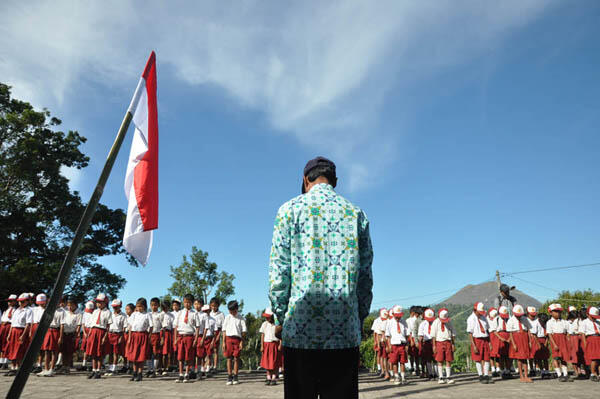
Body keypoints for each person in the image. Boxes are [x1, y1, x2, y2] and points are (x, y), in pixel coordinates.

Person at [269, 156, 373, 399]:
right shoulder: (355, 213)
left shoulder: (288, 210)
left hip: (299, 329)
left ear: (306, 180)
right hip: (343, 332)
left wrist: (280, 317)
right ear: (335, 181)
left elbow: (279, 271)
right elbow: (365, 275)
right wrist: (358, 317)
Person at [126, 297, 153, 382]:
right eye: (137, 306)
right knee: (134, 356)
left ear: (145, 306)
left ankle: (140, 373)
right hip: (134, 335)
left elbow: (151, 326)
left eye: (141, 306)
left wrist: (149, 336)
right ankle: (134, 372)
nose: (139, 308)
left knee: (141, 356)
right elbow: (130, 326)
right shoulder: (134, 314)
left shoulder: (147, 315)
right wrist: (130, 337)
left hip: (143, 335)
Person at [5, 293, 33, 375]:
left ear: (27, 301)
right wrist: (9, 334)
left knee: (19, 350)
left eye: (23, 301)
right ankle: (13, 367)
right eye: (20, 302)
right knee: (12, 350)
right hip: (14, 330)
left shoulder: (29, 311)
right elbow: (12, 324)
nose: (21, 303)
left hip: (21, 331)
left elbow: (28, 324)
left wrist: (23, 335)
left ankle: (18, 367)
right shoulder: (17, 310)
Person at [174, 294, 198, 383]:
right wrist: (176, 338)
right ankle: (180, 374)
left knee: (188, 356)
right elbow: (176, 326)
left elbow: (197, 327)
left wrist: (195, 339)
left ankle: (187, 373)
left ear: (191, 303)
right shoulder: (180, 313)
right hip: (181, 336)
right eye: (185, 302)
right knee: (180, 357)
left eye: (189, 302)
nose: (187, 304)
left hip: (189, 336)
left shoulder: (194, 313)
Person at [37, 299, 65, 377]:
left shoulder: (61, 311)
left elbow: (62, 325)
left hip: (55, 331)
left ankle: (52, 369)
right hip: (47, 331)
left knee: (54, 351)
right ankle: (46, 368)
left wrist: (60, 337)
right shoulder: (48, 311)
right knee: (46, 350)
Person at [86, 293, 112, 379]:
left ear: (105, 303)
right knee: (93, 353)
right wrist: (89, 334)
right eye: (97, 302)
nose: (99, 304)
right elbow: (92, 324)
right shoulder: (95, 311)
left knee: (99, 353)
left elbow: (108, 326)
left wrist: (105, 336)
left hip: (101, 332)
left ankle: (98, 371)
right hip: (93, 332)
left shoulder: (108, 312)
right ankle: (93, 370)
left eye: (101, 302)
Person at [467, 302, 493, 383]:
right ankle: (480, 375)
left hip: (485, 339)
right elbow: (470, 333)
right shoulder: (471, 319)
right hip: (476, 339)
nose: (481, 314)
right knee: (478, 358)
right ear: (475, 310)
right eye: (479, 312)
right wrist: (474, 345)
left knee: (487, 358)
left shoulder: (484, 318)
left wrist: (489, 342)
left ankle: (486, 375)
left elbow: (487, 330)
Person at [547, 303, 573, 382]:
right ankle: (559, 374)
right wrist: (554, 344)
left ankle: (565, 374)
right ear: (551, 312)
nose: (557, 313)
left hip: (563, 339)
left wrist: (568, 340)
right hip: (555, 339)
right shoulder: (549, 322)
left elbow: (568, 332)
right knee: (556, 357)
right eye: (555, 311)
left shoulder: (564, 322)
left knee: (564, 358)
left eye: (559, 311)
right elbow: (549, 334)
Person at [222, 300, 246, 386]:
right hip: (228, 339)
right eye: (230, 311)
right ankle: (229, 375)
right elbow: (224, 330)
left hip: (237, 339)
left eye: (233, 311)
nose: (232, 312)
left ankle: (236, 375)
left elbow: (244, 331)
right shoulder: (227, 317)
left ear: (237, 309)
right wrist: (223, 342)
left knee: (236, 358)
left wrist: (241, 342)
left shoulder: (241, 318)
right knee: (229, 358)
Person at [507, 304, 532, 383]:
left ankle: (526, 376)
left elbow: (528, 330)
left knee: (525, 358)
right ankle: (521, 376)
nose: (519, 317)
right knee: (519, 358)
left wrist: (529, 341)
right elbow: (510, 333)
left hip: (524, 338)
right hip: (516, 338)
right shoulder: (511, 320)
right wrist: (513, 344)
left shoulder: (525, 319)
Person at [385, 305, 408, 385]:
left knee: (402, 361)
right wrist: (388, 345)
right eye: (396, 316)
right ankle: (396, 377)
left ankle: (403, 377)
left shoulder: (404, 322)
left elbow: (406, 334)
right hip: (394, 344)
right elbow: (388, 335)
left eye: (399, 316)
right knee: (394, 362)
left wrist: (407, 345)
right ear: (393, 314)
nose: (398, 318)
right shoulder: (390, 322)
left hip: (402, 344)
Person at [431, 308, 455, 384]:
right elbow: (433, 335)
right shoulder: (435, 322)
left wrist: (453, 344)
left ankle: (448, 377)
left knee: (448, 360)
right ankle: (440, 377)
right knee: (440, 360)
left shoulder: (449, 321)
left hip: (448, 341)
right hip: (439, 342)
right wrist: (434, 346)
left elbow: (453, 333)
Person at [60, 297, 81, 374]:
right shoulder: (65, 312)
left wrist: (76, 335)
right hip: (64, 333)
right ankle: (63, 366)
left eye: (71, 305)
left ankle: (67, 367)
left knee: (69, 352)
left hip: (71, 334)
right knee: (63, 351)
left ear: (75, 305)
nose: (69, 307)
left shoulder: (79, 313)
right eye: (68, 305)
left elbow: (79, 325)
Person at [105, 299, 126, 376]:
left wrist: (121, 336)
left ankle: (114, 368)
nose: (114, 308)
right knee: (110, 352)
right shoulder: (110, 314)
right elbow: (107, 325)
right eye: (113, 307)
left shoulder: (123, 316)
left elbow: (124, 327)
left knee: (115, 353)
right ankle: (110, 368)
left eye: (116, 307)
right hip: (110, 334)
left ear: (120, 306)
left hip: (118, 334)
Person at [260, 308, 280, 385]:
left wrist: (280, 344)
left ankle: (274, 377)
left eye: (268, 317)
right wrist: (262, 345)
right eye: (266, 317)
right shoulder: (264, 324)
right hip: (266, 344)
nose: (267, 318)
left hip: (275, 344)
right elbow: (262, 335)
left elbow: (279, 335)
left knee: (274, 362)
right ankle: (268, 377)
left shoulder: (277, 324)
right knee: (267, 362)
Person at [580, 306, 600, 381]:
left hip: (598, 339)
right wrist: (585, 344)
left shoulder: (598, 322)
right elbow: (582, 334)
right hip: (591, 339)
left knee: (599, 358)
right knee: (594, 358)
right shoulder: (584, 322)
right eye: (593, 317)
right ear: (588, 314)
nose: (594, 318)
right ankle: (593, 373)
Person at [417, 308, 436, 380]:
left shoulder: (435, 322)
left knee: (435, 358)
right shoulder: (422, 324)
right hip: (427, 342)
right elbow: (420, 335)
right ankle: (430, 373)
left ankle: (436, 373)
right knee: (428, 359)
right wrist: (420, 345)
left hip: (434, 341)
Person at [567, 306, 585, 378]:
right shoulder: (568, 322)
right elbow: (569, 333)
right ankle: (577, 372)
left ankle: (580, 371)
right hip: (573, 338)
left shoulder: (580, 320)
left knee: (580, 355)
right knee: (574, 356)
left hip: (579, 338)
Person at [147, 297, 164, 378]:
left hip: (156, 334)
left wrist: (162, 337)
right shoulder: (148, 314)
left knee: (156, 353)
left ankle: (154, 369)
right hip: (148, 335)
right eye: (152, 305)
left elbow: (162, 327)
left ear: (158, 306)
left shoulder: (160, 315)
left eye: (155, 305)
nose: (154, 307)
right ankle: (149, 369)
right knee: (148, 353)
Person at [0, 294, 17, 370]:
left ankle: (5, 362)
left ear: (14, 302)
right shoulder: (6, 310)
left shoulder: (15, 310)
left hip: (8, 326)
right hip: (3, 326)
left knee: (6, 345)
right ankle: (1, 361)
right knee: (1, 344)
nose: (9, 303)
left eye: (11, 301)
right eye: (8, 301)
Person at [372, 308, 389, 379]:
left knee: (387, 357)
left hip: (388, 341)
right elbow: (376, 333)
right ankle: (382, 370)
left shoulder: (388, 320)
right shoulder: (377, 321)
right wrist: (376, 342)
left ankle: (387, 371)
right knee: (381, 356)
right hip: (381, 341)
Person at [31, 293, 47, 373]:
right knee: (33, 347)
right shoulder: (35, 309)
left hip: (43, 327)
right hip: (35, 326)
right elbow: (32, 321)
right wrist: (31, 331)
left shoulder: (48, 310)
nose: (41, 305)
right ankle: (32, 364)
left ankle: (39, 364)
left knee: (42, 348)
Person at [209, 297, 225, 372]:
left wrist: (219, 335)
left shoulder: (221, 314)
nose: (214, 307)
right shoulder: (209, 313)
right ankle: (209, 365)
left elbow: (223, 326)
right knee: (209, 350)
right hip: (210, 332)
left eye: (215, 306)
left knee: (215, 350)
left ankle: (215, 366)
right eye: (212, 306)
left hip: (217, 331)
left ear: (218, 306)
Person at [200, 304, 216, 377]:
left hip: (209, 338)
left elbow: (215, 332)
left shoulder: (213, 320)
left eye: (208, 311)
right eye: (205, 311)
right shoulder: (201, 319)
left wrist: (213, 341)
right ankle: (202, 368)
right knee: (202, 354)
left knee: (209, 354)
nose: (206, 312)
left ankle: (208, 368)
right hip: (202, 338)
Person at [79, 300, 95, 371]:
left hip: (92, 330)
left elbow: (93, 324)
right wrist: (85, 332)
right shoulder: (85, 313)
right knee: (85, 348)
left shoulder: (94, 314)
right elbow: (83, 323)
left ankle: (92, 364)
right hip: (85, 330)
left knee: (91, 347)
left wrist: (90, 332)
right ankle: (84, 364)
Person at [535, 313, 551, 379]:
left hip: (545, 339)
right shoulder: (536, 323)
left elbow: (548, 335)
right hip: (538, 340)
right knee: (539, 358)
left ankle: (547, 371)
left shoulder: (546, 323)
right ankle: (542, 371)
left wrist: (546, 342)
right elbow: (534, 335)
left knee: (545, 357)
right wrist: (538, 344)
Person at [160, 300, 174, 376]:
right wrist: (162, 337)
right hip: (162, 333)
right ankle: (160, 367)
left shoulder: (171, 315)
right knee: (161, 353)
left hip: (169, 333)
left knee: (167, 352)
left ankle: (166, 367)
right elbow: (160, 326)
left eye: (166, 307)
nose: (165, 309)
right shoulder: (160, 315)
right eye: (163, 307)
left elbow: (172, 326)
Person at [526, 306, 539, 377]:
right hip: (528, 338)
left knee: (536, 354)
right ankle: (531, 369)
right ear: (528, 314)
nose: (533, 316)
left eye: (534, 315)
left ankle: (537, 368)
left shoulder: (537, 320)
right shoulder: (526, 320)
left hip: (535, 337)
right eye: (531, 315)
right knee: (530, 355)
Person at [487, 307, 500, 377]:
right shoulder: (486, 319)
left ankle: (498, 368)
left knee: (497, 353)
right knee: (491, 354)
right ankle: (493, 368)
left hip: (497, 335)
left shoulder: (498, 318)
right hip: (490, 335)